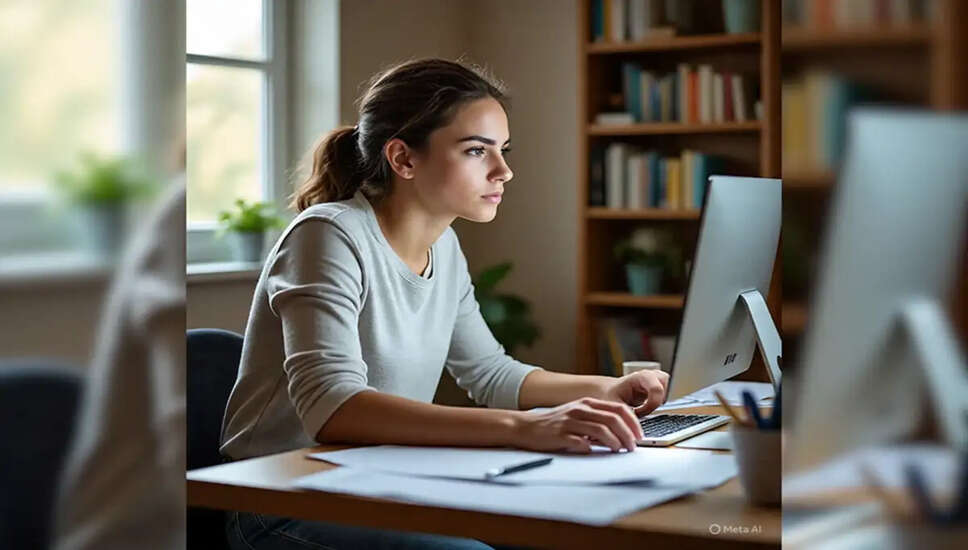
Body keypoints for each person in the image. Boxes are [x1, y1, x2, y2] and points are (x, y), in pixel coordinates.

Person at [221, 58, 669, 550]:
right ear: (404, 159)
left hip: (380, 486)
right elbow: (334, 408)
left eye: (502, 150)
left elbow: (492, 373)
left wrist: (609, 390)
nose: (504, 171)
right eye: (477, 150)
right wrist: (524, 429)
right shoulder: (328, 234)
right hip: (279, 504)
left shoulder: (444, 248)